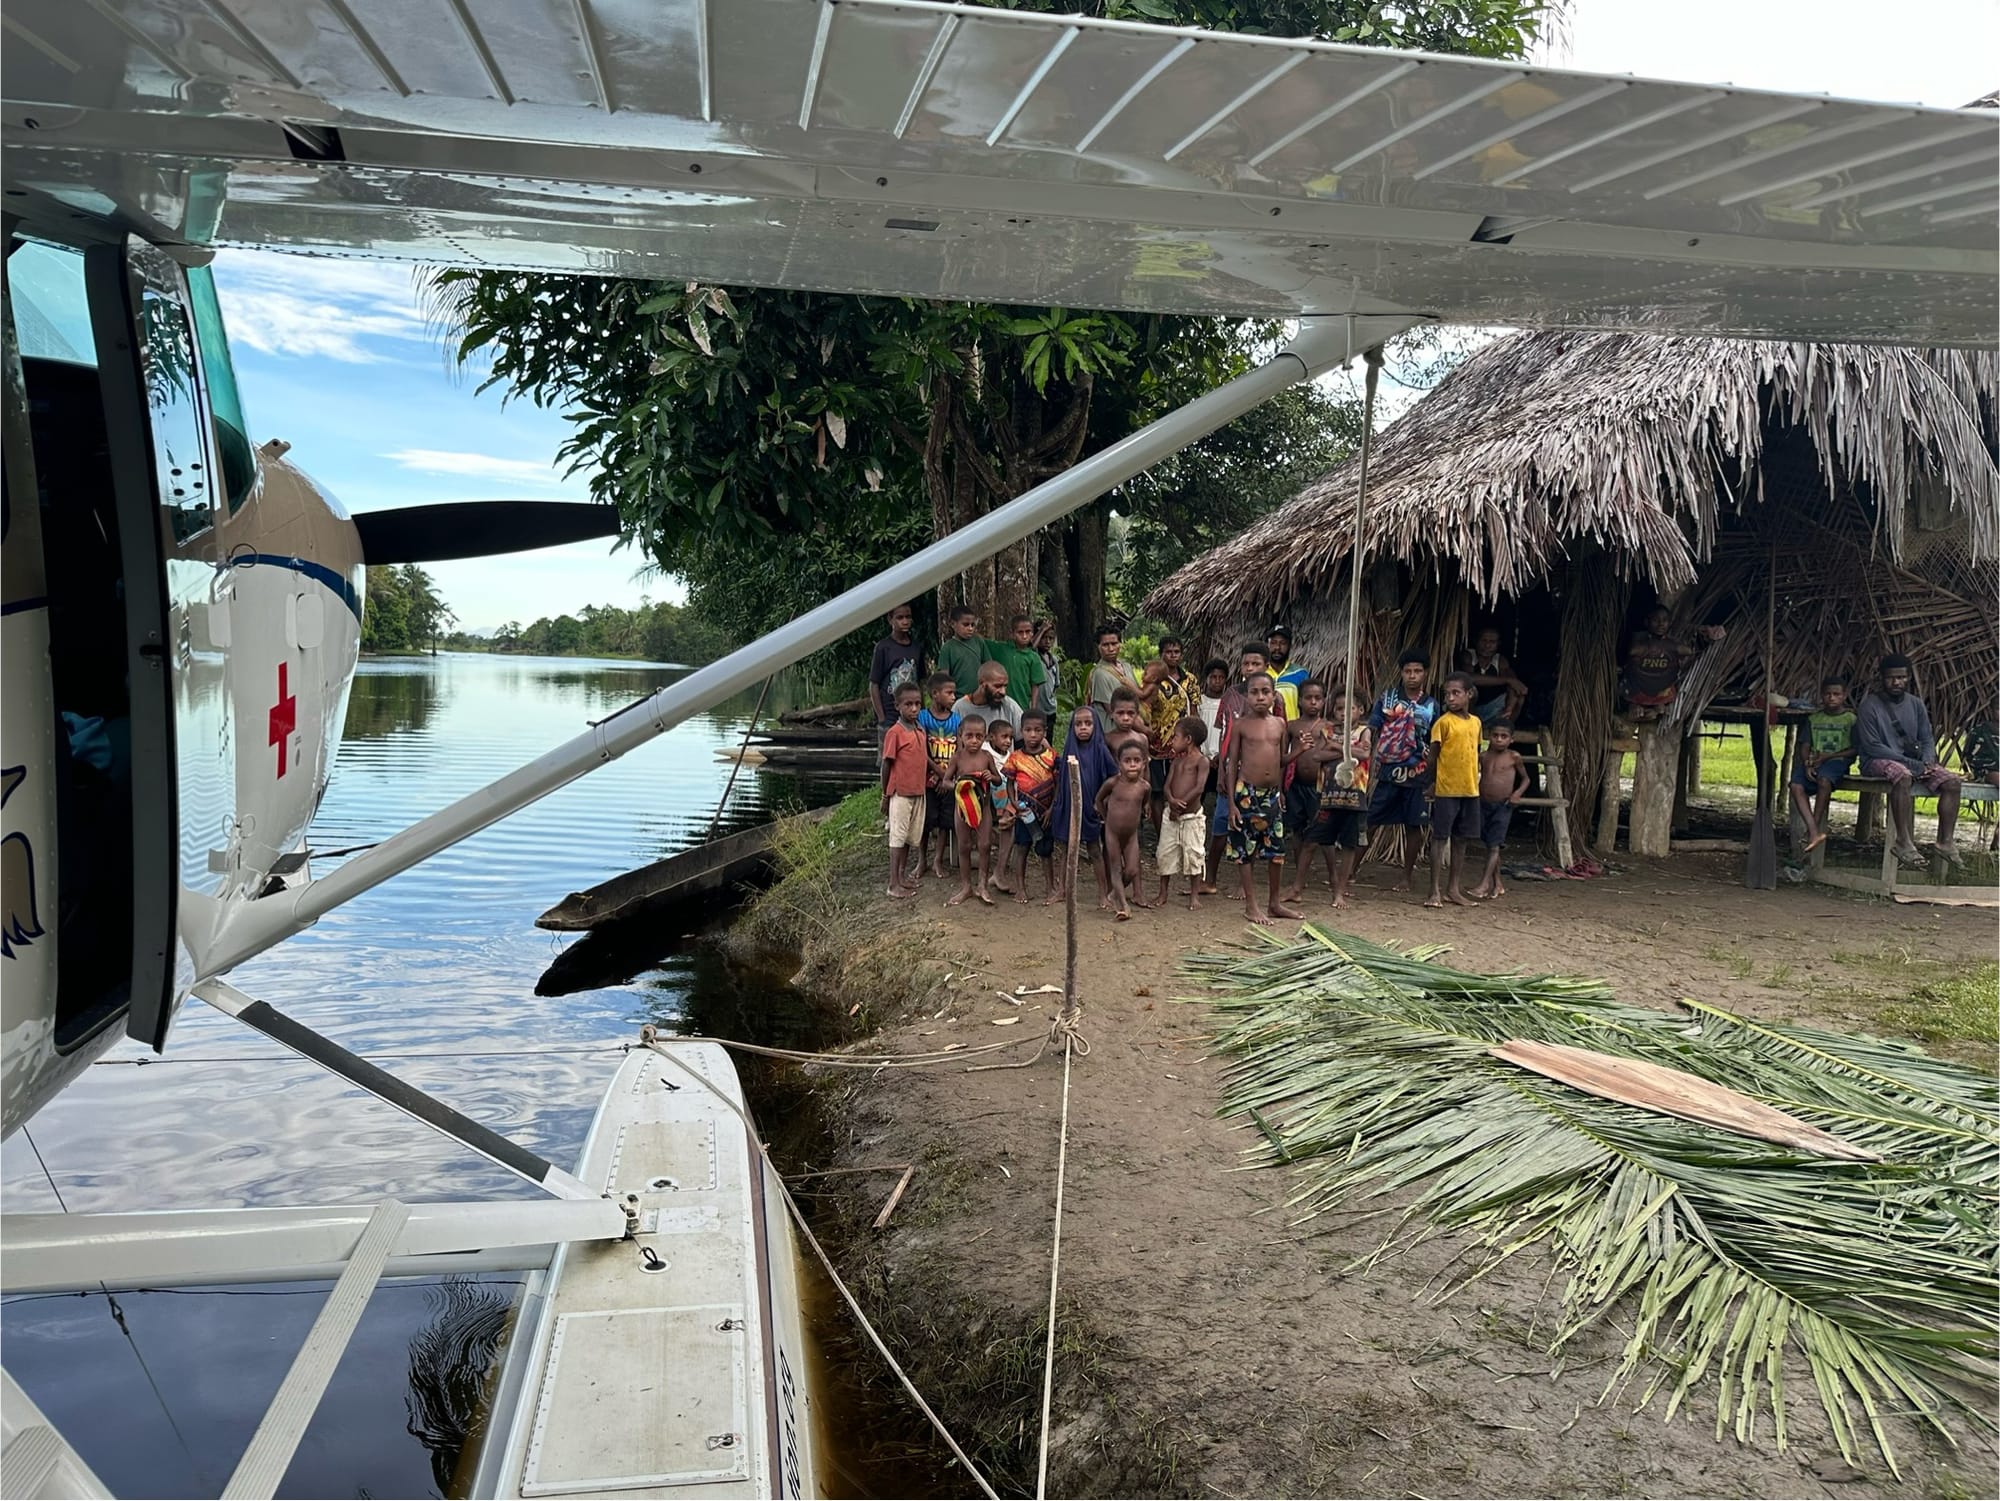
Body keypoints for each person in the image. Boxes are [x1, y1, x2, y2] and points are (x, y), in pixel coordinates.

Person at [1855, 654, 1963, 866]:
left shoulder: (1916, 704)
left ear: (1908, 678)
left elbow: (1926, 737)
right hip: (1877, 761)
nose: (1896, 682)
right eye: (1891, 678)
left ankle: (1945, 841)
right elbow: (1872, 746)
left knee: (1952, 782)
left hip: (1913, 761)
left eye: (1901, 677)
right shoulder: (1869, 706)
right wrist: (1912, 764)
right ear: (1882, 679)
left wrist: (1928, 759)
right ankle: (1903, 841)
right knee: (1902, 776)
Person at [1202, 642, 1287, 894]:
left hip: (1266, 786)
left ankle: (1248, 889)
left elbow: (1278, 748)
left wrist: (1281, 789)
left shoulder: (1277, 706)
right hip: (1237, 779)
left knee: (1266, 838)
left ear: (1266, 667)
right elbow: (1222, 734)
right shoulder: (1230, 696)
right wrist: (1221, 771)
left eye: (1256, 664)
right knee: (1224, 827)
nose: (1250, 668)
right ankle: (1212, 879)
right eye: (1246, 664)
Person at [1223, 674, 1301, 926]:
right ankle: (1251, 905)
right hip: (1247, 793)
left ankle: (1274, 903)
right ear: (1247, 696)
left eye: (1265, 692)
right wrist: (1233, 803)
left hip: (1272, 796)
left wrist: (1300, 752)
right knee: (1245, 850)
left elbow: (1281, 761)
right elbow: (1231, 763)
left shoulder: (1280, 724)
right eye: (1254, 692)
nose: (1260, 697)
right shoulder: (1241, 725)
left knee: (1276, 850)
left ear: (1273, 695)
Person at [1368, 649, 1440, 891]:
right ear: (1401, 673)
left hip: (1418, 774)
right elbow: (1373, 726)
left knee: (1413, 827)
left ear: (1425, 673)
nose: (1412, 675)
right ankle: (1351, 872)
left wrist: (1432, 778)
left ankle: (1406, 877)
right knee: (1371, 821)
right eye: (1408, 671)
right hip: (1388, 772)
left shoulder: (1431, 706)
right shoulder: (1387, 699)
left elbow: (1435, 742)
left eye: (1417, 671)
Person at [1300, 690, 1372, 909]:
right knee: (1312, 840)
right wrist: (1346, 750)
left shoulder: (1364, 731)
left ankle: (1339, 891)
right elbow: (1317, 756)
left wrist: (1335, 747)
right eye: (1339, 708)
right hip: (1328, 796)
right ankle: (1296, 887)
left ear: (1360, 710)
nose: (1343, 713)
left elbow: (1364, 755)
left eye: (1349, 708)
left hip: (1353, 797)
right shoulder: (1327, 730)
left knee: (1349, 845)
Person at [1048, 705, 1116, 907]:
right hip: (1069, 808)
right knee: (1066, 850)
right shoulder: (1069, 748)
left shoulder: (1101, 749)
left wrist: (1101, 800)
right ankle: (1062, 890)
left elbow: (1114, 776)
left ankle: (1103, 894)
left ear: (1095, 726)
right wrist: (1057, 804)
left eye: (1088, 724)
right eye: (1078, 724)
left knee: (1095, 850)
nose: (1083, 728)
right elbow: (1060, 780)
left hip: (1090, 809)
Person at [1426, 673, 1483, 909]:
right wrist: (1432, 783)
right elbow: (1432, 758)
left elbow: (1476, 753)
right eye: (1447, 694)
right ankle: (1434, 891)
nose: (1450, 698)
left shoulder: (1476, 723)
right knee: (1440, 838)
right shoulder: (1443, 723)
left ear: (1469, 694)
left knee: (1461, 839)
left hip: (1469, 790)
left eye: (1456, 693)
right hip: (1446, 789)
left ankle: (1454, 889)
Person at [1279, 681, 1339, 905]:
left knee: (1324, 834)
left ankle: (1334, 878)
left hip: (1320, 787)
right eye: (1308, 698)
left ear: (1324, 701)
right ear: (1300, 701)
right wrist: (1280, 789)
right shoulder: (1292, 726)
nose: (1313, 702)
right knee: (1297, 831)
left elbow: (1336, 754)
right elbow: (1283, 757)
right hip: (1296, 786)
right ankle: (1299, 879)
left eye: (1318, 698)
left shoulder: (1328, 726)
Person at [1790, 676, 1857, 854]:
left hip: (1838, 762)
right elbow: (1804, 745)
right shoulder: (1814, 719)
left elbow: (1855, 749)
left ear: (1844, 696)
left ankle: (1815, 824)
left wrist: (1831, 756)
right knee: (1796, 785)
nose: (1832, 698)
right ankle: (1813, 831)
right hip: (1815, 761)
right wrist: (1807, 763)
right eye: (1828, 694)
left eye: (1836, 694)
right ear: (1822, 696)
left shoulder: (1851, 719)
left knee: (1824, 780)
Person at [1150, 714, 1211, 911]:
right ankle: (1163, 892)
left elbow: (1199, 788)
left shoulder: (1202, 762)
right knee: (1165, 853)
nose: (1172, 740)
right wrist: (1171, 801)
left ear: (1188, 740)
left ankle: (1194, 895)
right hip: (1172, 815)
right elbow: (1167, 786)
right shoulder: (1176, 762)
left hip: (1191, 817)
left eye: (1175, 736)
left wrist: (1181, 805)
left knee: (1194, 854)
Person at [1622, 607, 1725, 721]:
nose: (1661, 624)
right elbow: (1633, 651)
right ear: (1647, 622)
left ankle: (1657, 709)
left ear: (1669, 623)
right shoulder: (1639, 637)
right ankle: (1637, 707)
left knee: (1661, 708)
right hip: (1636, 691)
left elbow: (1688, 651)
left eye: (1665, 620)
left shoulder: (1672, 641)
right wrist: (1661, 647)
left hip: (1662, 693)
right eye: (1656, 620)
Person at [1139, 642, 1197, 830]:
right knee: (1157, 792)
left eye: (1177, 652)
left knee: (1180, 788)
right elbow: (1143, 707)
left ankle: (1180, 830)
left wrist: (1195, 740)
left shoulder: (1190, 680)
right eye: (1168, 652)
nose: (1173, 655)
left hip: (1182, 744)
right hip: (1156, 745)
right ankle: (1161, 835)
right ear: (1161, 654)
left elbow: (1193, 711)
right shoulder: (1153, 681)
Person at [878, 682, 929, 899]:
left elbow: (924, 758)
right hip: (900, 793)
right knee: (897, 838)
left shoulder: (920, 730)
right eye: (908, 704)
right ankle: (892, 883)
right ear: (898, 706)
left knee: (909, 837)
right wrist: (885, 795)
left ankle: (901, 876)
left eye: (917, 704)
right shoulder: (895, 733)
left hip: (918, 791)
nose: (914, 709)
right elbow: (886, 765)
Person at [1468, 719, 1527, 900]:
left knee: (1494, 846)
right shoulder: (1483, 757)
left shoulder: (1514, 757)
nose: (1499, 739)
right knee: (1490, 845)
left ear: (1511, 739)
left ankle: (1484, 885)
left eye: (1504, 736)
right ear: (1489, 737)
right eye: (1495, 736)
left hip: (1503, 806)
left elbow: (1526, 779)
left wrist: (1517, 793)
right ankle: (1498, 884)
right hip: (1483, 804)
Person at [1004, 711, 1058, 903]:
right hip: (1024, 811)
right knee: (1022, 848)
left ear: (1045, 731)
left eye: (1037, 730)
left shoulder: (1052, 757)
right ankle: (1021, 888)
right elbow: (1010, 783)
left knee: (1046, 851)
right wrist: (1013, 804)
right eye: (1028, 730)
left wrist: (1052, 808)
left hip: (1046, 812)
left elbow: (1058, 784)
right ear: (1021, 731)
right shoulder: (1015, 757)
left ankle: (1051, 888)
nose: (1033, 735)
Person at [944, 716, 997, 906]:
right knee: (964, 846)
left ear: (985, 738)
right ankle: (966, 886)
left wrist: (990, 776)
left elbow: (998, 780)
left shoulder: (987, 757)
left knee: (984, 844)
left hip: (983, 808)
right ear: (961, 736)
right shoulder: (957, 757)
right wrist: (958, 784)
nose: (974, 740)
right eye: (969, 736)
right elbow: (946, 781)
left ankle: (982, 885)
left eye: (979, 736)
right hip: (962, 808)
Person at [1095, 742, 1151, 919]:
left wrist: (1144, 810)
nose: (1132, 764)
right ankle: (1123, 906)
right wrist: (1105, 818)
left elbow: (1144, 803)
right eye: (1127, 761)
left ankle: (1114, 893)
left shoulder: (1144, 787)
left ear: (1144, 763)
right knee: (1116, 868)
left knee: (1132, 870)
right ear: (1119, 763)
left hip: (1131, 835)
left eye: (1136, 760)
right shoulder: (1113, 783)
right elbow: (1098, 800)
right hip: (1112, 833)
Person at [917, 673, 962, 881]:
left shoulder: (956, 719)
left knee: (945, 822)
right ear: (935, 694)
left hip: (949, 781)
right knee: (926, 822)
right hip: (929, 779)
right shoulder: (923, 718)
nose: (954, 697)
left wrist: (948, 777)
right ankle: (921, 860)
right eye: (949, 693)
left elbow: (960, 751)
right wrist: (937, 772)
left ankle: (937, 860)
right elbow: (920, 750)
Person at [868, 603, 926, 752]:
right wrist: (881, 718)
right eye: (900, 618)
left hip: (912, 715)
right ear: (890, 619)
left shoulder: (916, 648)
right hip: (890, 715)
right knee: (888, 757)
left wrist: (921, 711)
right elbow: (874, 685)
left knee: (912, 754)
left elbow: (921, 682)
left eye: (908, 617)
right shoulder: (883, 648)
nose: (905, 621)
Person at [1458, 625, 1527, 726]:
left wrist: (1509, 708)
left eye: (1492, 642)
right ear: (1476, 641)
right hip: (1467, 710)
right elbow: (1469, 678)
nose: (1487, 645)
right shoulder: (1468, 656)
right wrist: (1507, 680)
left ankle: (1505, 727)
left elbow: (1515, 683)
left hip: (1491, 710)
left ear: (1498, 644)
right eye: (1484, 641)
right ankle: (1470, 725)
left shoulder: (1500, 661)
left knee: (1519, 695)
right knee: (1470, 690)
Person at [986, 614, 1049, 721]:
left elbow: (1035, 685)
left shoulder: (1033, 657)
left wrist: (1033, 708)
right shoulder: (1001, 649)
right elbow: (980, 642)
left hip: (1022, 704)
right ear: (1013, 634)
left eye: (1028, 632)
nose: (1024, 636)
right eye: (1020, 632)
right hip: (998, 703)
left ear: (1032, 633)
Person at [983, 718, 1018, 894]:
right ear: (990, 737)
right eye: (1004, 737)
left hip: (1004, 804)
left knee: (1009, 829)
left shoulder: (1010, 756)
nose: (1008, 741)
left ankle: (999, 872)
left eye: (1010, 738)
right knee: (988, 836)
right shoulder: (984, 751)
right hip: (984, 804)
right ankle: (985, 877)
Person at [1086, 624, 1140, 721]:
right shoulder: (1099, 674)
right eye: (1105, 645)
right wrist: (1146, 730)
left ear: (1120, 644)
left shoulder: (1126, 666)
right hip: (1113, 726)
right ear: (1098, 647)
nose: (1111, 649)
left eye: (1114, 644)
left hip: (1134, 719)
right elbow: (1113, 711)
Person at [939, 605, 993, 696]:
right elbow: (944, 677)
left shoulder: (978, 641)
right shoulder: (947, 648)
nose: (970, 628)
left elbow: (989, 666)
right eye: (965, 624)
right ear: (953, 624)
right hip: (959, 697)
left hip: (980, 695)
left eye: (972, 625)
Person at [964, 660, 1023, 741]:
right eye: (997, 686)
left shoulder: (1009, 705)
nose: (1003, 692)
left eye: (1005, 686)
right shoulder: (961, 707)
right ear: (982, 683)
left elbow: (1027, 737)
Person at [1265, 624, 1308, 718]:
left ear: (1289, 646)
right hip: (1264, 730)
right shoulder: (1260, 673)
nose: (1277, 647)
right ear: (1267, 645)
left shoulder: (1300, 673)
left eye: (1283, 643)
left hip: (1291, 729)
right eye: (1273, 643)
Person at [1031, 620, 1061, 718]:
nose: (1047, 641)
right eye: (1043, 637)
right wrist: (1042, 630)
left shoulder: (1054, 660)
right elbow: (1029, 649)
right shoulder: (1034, 657)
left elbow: (1056, 685)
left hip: (1050, 709)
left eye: (1050, 638)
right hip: (1036, 709)